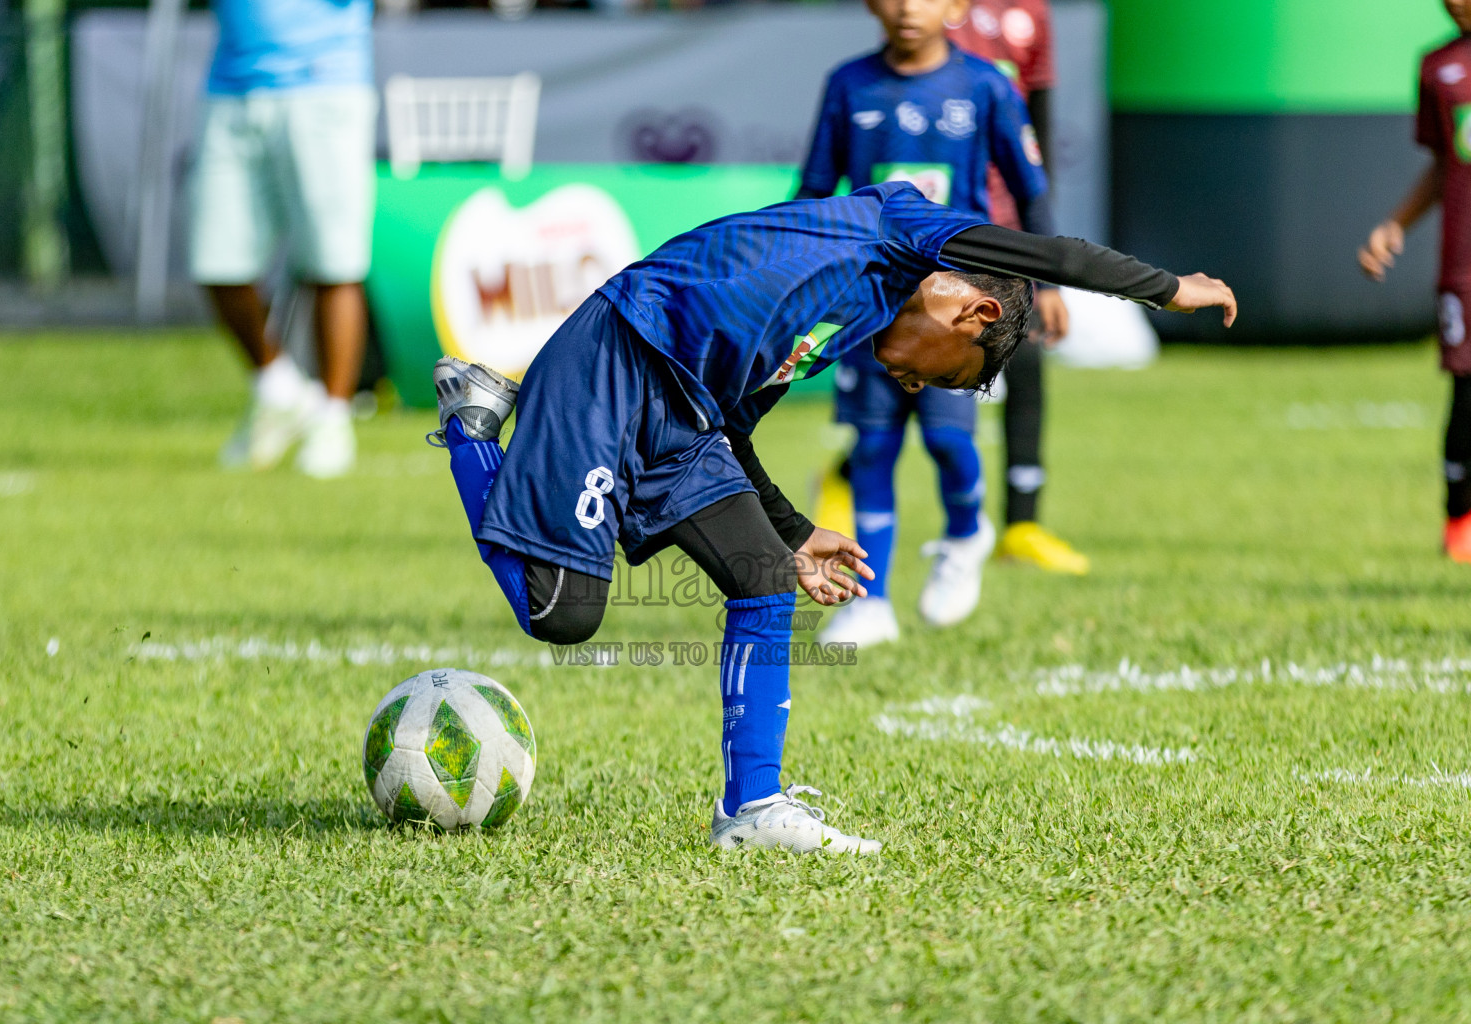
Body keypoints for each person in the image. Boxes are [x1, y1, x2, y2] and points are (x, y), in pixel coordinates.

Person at [429, 181, 1236, 853]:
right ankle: (472, 427)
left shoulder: (846, 322)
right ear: (975, 317)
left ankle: (750, 813)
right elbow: (1047, 255)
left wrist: (793, 533)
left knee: (764, 581)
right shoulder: (905, 229)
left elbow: (731, 428)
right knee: (559, 614)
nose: (919, 388)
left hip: (689, 417)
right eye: (948, 379)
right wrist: (1167, 289)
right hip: (622, 355)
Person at [794, 0, 1070, 648]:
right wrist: (802, 283)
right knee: (873, 447)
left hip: (953, 306)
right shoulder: (848, 84)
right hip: (873, 301)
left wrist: (1050, 282)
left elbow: (1030, 187)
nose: (904, 7)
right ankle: (873, 601)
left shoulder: (985, 86)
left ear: (955, 5)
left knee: (948, 441)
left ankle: (965, 532)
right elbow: (811, 192)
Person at [189, 0, 377, 479]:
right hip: (231, 85)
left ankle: (334, 418)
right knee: (216, 263)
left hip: (325, 80)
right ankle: (278, 388)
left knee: (333, 264)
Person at [948, 0, 1090, 576]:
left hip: (1005, 229)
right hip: (937, 224)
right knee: (924, 377)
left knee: (1025, 364)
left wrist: (1043, 258)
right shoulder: (931, 12)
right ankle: (849, 478)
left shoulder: (1031, 13)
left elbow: (1041, 131)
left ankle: (1023, 525)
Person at [1359, 0, 1471, 563]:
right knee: (1467, 391)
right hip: (1465, 261)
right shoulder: (1437, 67)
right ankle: (1458, 522)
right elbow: (1443, 165)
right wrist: (1394, 225)